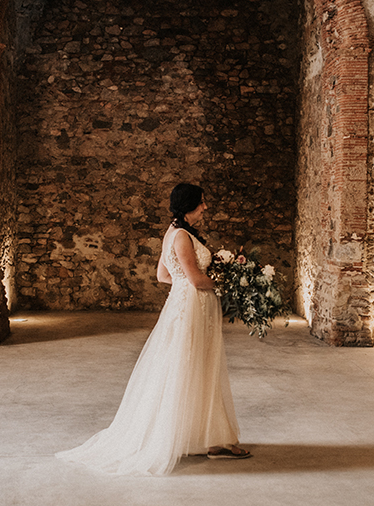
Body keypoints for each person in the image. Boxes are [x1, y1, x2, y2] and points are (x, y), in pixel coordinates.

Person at [55, 183, 250, 475]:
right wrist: (231, 283)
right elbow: (195, 279)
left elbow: (163, 275)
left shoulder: (172, 233)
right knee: (193, 367)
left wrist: (190, 281)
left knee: (198, 367)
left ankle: (214, 440)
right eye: (201, 203)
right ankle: (208, 440)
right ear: (188, 205)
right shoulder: (182, 236)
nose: (205, 207)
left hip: (188, 305)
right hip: (192, 309)